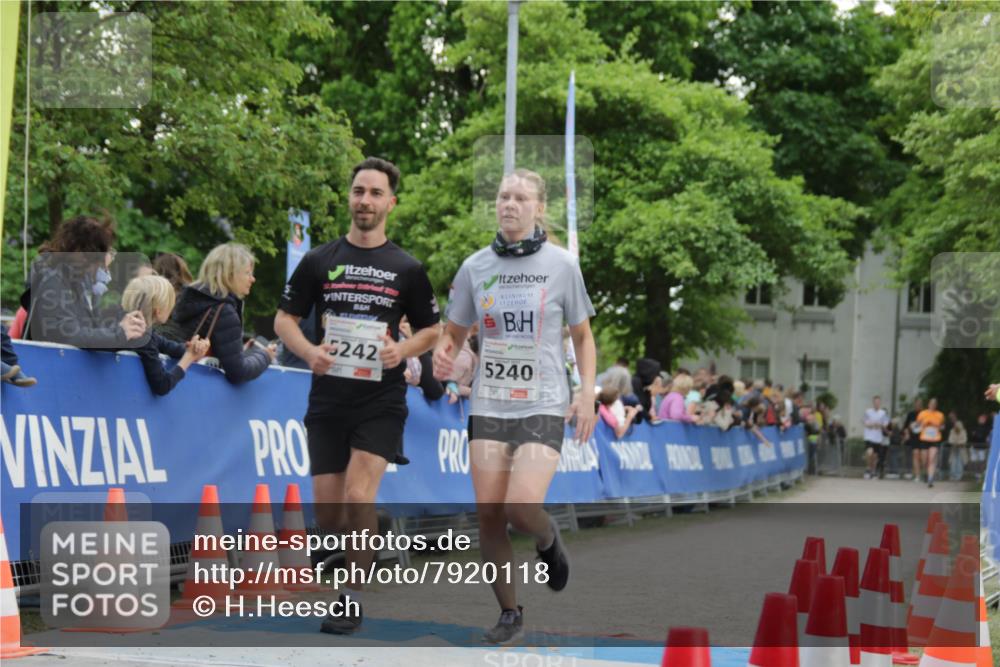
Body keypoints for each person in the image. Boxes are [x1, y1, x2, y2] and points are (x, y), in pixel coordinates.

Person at [274, 157, 440, 635]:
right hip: (328, 398)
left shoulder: (407, 268)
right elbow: (284, 319)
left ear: (391, 202)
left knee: (356, 494)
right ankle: (370, 529)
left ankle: (348, 599)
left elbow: (433, 330)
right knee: (330, 516)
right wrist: (309, 352)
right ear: (350, 198)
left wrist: (400, 351)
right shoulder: (319, 260)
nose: (364, 200)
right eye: (358, 191)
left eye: (374, 193)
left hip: (380, 400)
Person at [433, 168, 597, 644]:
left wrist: (586, 392)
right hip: (489, 403)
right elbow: (455, 333)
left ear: (539, 208)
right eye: (504, 196)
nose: (509, 204)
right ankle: (509, 612)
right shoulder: (475, 267)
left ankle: (547, 539)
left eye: (521, 198)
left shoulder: (562, 265)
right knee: (489, 514)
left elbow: (583, 339)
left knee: (521, 505)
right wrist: (446, 354)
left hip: (543, 401)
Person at [23, 215, 147, 348]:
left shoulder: (79, 285)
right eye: (106, 251)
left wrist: (128, 329)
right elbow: (68, 336)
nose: (108, 260)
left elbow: (91, 333)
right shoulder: (52, 279)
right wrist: (119, 334)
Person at [172, 243, 274, 384]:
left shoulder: (188, 297)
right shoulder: (224, 311)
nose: (253, 279)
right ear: (230, 274)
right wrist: (265, 356)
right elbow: (238, 373)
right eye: (247, 273)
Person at [121, 275, 210, 395]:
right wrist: (188, 359)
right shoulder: (143, 337)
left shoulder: (131, 329)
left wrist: (191, 349)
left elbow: (167, 346)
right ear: (158, 311)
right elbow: (162, 385)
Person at [916, 397, 945, 487]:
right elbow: (917, 425)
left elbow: (943, 427)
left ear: (936, 405)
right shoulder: (922, 413)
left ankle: (930, 479)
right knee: (925, 460)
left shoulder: (940, 415)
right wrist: (924, 424)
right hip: (924, 439)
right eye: (931, 403)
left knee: (931, 459)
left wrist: (938, 426)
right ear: (928, 404)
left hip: (935, 439)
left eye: (934, 404)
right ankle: (925, 472)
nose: (933, 405)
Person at [863, 395, 890, 479]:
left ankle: (873, 471)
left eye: (878, 402)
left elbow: (885, 424)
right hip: (869, 436)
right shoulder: (868, 411)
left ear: (880, 403)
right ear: (873, 402)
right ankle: (868, 468)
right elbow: (865, 423)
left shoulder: (883, 413)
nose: (877, 403)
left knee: (875, 456)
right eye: (875, 402)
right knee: (869, 452)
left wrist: (880, 425)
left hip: (878, 438)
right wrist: (873, 424)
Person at [904, 397, 925, 482]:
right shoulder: (911, 414)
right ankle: (917, 476)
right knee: (915, 454)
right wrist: (907, 433)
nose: (918, 405)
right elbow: (905, 427)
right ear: (915, 404)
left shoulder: (925, 413)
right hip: (914, 438)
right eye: (917, 403)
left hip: (924, 438)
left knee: (922, 457)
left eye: (920, 403)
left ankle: (923, 473)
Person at [946, 411, 967, 482]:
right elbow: (950, 440)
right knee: (953, 463)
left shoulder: (963, 431)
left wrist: (958, 443)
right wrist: (954, 443)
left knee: (960, 463)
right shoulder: (952, 431)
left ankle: (959, 476)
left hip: (961, 449)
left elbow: (964, 440)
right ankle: (952, 476)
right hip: (954, 449)